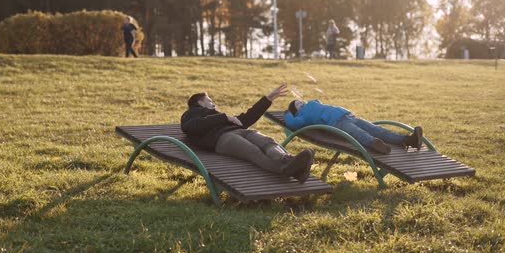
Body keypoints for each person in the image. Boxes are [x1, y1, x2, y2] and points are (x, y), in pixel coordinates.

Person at [181, 84, 315, 184]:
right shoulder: (190, 114)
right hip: (222, 139)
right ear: (200, 102)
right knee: (253, 151)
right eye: (209, 100)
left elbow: (246, 119)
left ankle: (288, 161)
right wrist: (224, 117)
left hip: (241, 131)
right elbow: (191, 127)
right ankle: (285, 169)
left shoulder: (219, 116)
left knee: (268, 142)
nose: (213, 103)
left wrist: (268, 99)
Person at [285, 99, 423, 154]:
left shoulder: (313, 103)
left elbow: (319, 103)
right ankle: (375, 145)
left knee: (377, 129)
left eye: (301, 101)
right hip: (337, 123)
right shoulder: (302, 116)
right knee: (359, 134)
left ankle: (409, 140)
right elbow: (292, 123)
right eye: (298, 104)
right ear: (296, 111)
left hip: (349, 116)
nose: (301, 102)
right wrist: (287, 114)